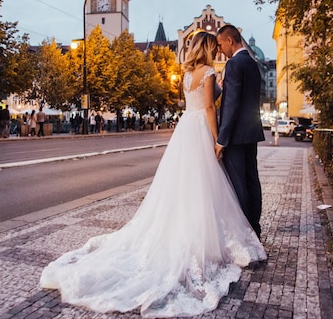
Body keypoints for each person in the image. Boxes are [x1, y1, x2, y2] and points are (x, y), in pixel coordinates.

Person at [40, 30, 266, 318]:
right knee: (206, 184)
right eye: (214, 46)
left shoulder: (187, 75)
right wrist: (215, 138)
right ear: (208, 48)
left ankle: (185, 229)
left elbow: (201, 100)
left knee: (182, 185)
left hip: (185, 130)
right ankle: (216, 234)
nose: (218, 50)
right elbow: (209, 107)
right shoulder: (210, 71)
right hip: (200, 129)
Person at [214, 24, 265, 239]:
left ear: (229, 41)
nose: (219, 50)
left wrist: (222, 139)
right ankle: (255, 226)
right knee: (252, 178)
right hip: (251, 132)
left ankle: (245, 233)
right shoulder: (252, 63)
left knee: (238, 183)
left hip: (235, 135)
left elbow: (232, 104)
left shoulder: (234, 64)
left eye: (220, 45)